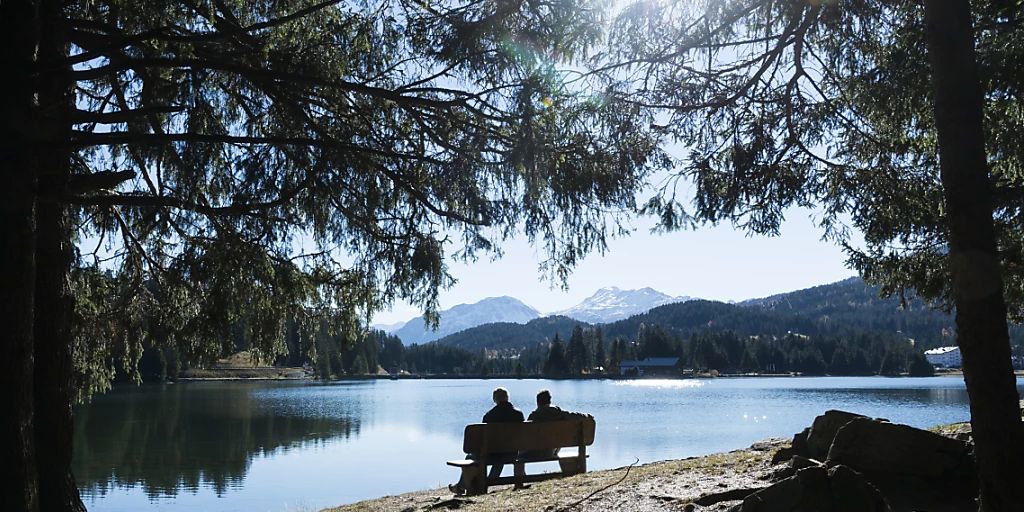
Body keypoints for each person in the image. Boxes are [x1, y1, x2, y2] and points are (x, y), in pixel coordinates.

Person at [449, 387, 524, 495]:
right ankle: (488, 481)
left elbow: (482, 441)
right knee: (500, 456)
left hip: (494, 454)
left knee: (470, 457)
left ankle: (461, 486)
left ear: (495, 399)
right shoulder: (518, 414)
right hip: (512, 453)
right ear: (507, 398)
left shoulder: (489, 416)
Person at [522, 389, 592, 459]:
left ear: (538, 402)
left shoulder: (533, 416)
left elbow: (525, 436)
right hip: (550, 452)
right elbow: (573, 416)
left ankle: (520, 470)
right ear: (549, 401)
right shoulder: (558, 413)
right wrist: (586, 416)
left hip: (532, 453)